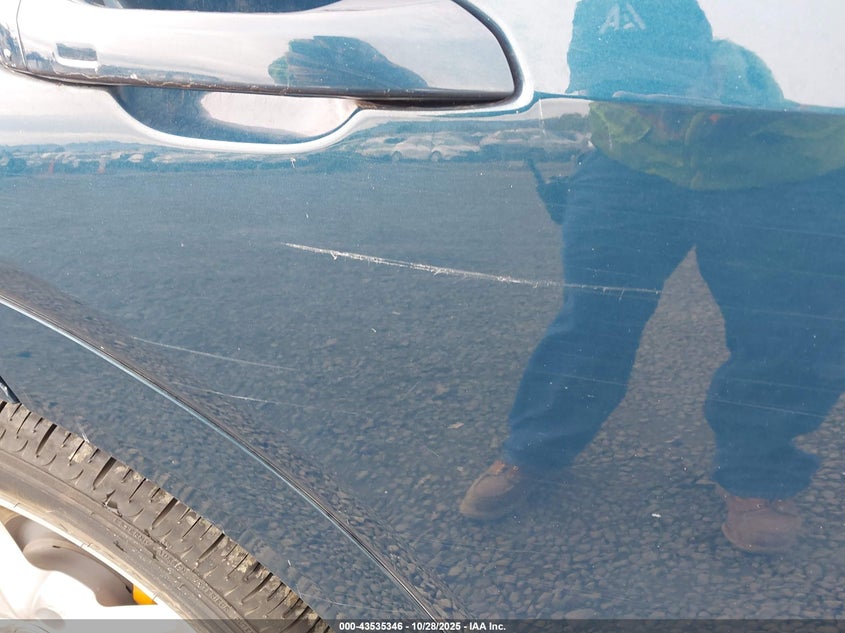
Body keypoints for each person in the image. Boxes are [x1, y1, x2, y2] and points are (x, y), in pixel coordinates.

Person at [459, 0, 845, 553]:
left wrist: (749, 103)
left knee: (784, 333)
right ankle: (532, 450)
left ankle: (758, 477)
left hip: (784, 170)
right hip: (634, 163)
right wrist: (640, 101)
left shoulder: (760, 77)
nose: (650, 104)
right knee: (592, 317)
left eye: (666, 87)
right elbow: (604, 58)